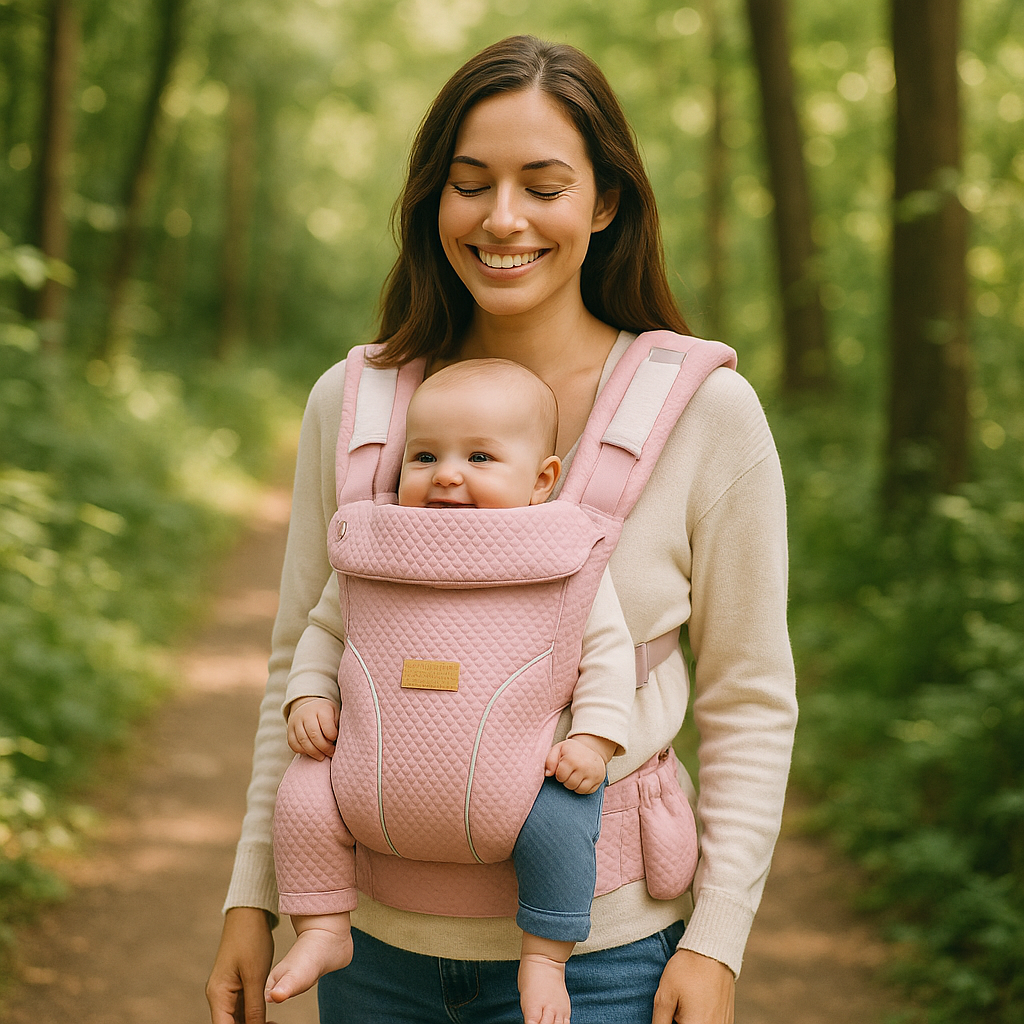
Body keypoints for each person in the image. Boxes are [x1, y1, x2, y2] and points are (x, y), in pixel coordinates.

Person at [207, 33, 797, 1024]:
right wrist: (251, 894)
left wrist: (718, 938)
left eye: (543, 183)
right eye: (470, 183)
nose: (504, 217)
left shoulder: (705, 414)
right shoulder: (353, 409)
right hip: (372, 948)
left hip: (604, 957)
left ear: (603, 202)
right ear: (432, 199)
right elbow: (295, 671)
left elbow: (749, 696)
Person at [265, 357, 639, 1024]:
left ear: (543, 479)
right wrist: (310, 695)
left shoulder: (562, 553)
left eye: (481, 457)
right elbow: (325, 628)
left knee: (564, 821)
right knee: (302, 795)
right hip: (364, 779)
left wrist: (595, 736)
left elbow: (607, 653)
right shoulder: (377, 546)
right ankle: (322, 927)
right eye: (425, 454)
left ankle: (545, 958)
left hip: (525, 782)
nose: (447, 474)